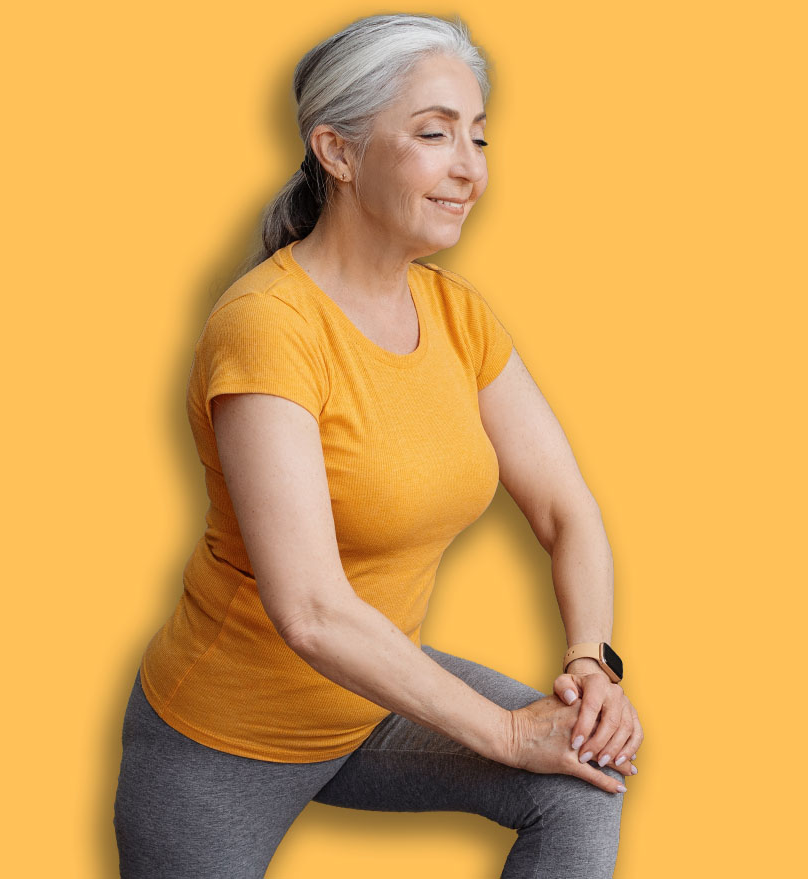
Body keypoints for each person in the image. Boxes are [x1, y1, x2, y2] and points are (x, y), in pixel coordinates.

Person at [112, 13, 643, 879]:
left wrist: (591, 662)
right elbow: (312, 609)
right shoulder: (269, 329)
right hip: (225, 736)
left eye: (478, 135)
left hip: (376, 705)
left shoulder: (456, 314)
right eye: (434, 134)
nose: (469, 167)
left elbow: (566, 508)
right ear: (338, 151)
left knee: (586, 778)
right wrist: (509, 731)